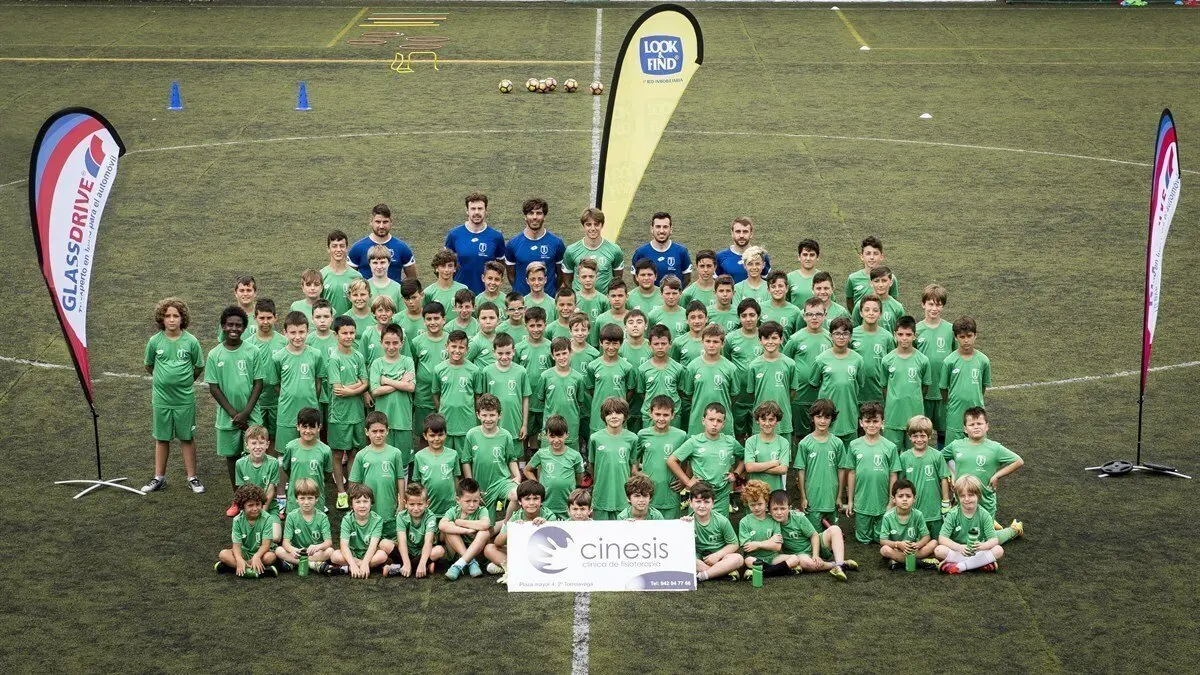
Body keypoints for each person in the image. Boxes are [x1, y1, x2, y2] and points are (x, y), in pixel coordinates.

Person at [142, 297, 205, 494]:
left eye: (175, 316)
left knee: (187, 437)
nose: (171, 319)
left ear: (182, 318)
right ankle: (159, 477)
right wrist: (163, 381)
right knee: (162, 438)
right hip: (161, 399)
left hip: (184, 400)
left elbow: (198, 366)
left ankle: (192, 477)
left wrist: (184, 382)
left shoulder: (191, 341)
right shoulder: (154, 341)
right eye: (167, 316)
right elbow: (149, 365)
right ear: (161, 318)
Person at [206, 306, 264, 504]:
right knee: (232, 456)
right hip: (227, 417)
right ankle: (238, 498)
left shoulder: (253, 351)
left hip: (251, 415)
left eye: (238, 325)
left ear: (244, 328)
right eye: (229, 324)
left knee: (255, 455)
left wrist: (246, 413)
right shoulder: (214, 354)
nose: (234, 328)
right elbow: (214, 388)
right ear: (223, 326)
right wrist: (234, 414)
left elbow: (258, 383)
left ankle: (257, 498)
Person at [941, 407, 1025, 544]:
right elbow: (939, 458)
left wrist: (997, 475)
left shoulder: (995, 448)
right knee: (959, 536)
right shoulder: (956, 445)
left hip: (985, 500)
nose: (976, 427)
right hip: (962, 499)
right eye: (971, 424)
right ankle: (992, 525)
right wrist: (952, 474)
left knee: (982, 541)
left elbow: (1018, 461)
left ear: (987, 426)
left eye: (979, 423)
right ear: (965, 429)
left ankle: (1013, 530)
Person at [840, 402, 900, 544]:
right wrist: (850, 501)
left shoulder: (890, 447)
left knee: (881, 539)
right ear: (861, 423)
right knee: (863, 539)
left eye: (875, 421)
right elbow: (851, 473)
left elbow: (893, 475)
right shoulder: (854, 445)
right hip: (862, 503)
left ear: (882, 422)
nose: (871, 425)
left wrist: (891, 502)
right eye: (867, 421)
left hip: (883, 504)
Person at [668, 402, 744, 516]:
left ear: (723, 424)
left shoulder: (730, 442)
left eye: (719, 421)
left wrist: (736, 474)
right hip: (699, 494)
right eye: (711, 419)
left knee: (719, 525)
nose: (715, 424)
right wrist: (687, 482)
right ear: (703, 421)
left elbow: (745, 457)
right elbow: (671, 461)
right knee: (697, 525)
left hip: (721, 495)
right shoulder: (694, 442)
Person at [768, 488, 857, 581]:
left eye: (782, 508)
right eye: (775, 509)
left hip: (815, 545)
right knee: (805, 563)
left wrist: (815, 555)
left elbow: (814, 535)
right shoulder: (770, 523)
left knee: (835, 529)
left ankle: (840, 565)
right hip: (800, 555)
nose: (779, 512)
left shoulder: (798, 518)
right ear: (769, 510)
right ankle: (838, 565)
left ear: (789, 508)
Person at [328, 315, 370, 508]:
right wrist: (358, 386)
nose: (348, 336)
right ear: (336, 335)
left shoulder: (358, 356)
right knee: (338, 455)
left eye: (352, 332)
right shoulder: (334, 359)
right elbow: (338, 389)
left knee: (354, 452)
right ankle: (341, 492)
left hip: (357, 414)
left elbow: (366, 383)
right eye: (344, 333)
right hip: (339, 416)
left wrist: (352, 389)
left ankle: (353, 491)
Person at [269, 312, 326, 450]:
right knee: (285, 452)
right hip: (287, 413)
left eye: (301, 332)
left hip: (311, 411)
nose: (297, 336)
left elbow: (318, 382)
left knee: (311, 450)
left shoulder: (316, 355)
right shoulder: (278, 357)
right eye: (293, 332)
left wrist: (311, 397)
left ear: (307, 331)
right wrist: (288, 395)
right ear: (285, 332)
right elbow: (276, 385)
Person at [462, 393, 521, 526]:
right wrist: (472, 487)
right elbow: (466, 461)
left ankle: (506, 525)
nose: (488, 419)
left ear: (499, 415)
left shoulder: (506, 435)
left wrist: (517, 476)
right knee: (486, 528)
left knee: (517, 495)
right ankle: (496, 529)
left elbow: (511, 459)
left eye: (492, 415)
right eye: (484, 415)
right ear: (478, 415)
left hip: (501, 483)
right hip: (481, 486)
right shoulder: (472, 435)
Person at [483, 480, 558, 582]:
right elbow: (498, 542)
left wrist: (545, 526)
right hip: (520, 553)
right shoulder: (516, 516)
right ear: (519, 501)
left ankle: (509, 569)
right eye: (527, 499)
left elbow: (554, 547)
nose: (531, 503)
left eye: (536, 498)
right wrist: (512, 529)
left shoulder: (549, 516)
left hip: (540, 555)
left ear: (542, 501)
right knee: (489, 548)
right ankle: (513, 569)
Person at [808, 317, 866, 448]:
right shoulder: (821, 359)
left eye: (845, 333)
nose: (841, 337)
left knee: (848, 455)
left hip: (849, 415)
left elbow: (860, 384)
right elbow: (814, 383)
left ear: (850, 336)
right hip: (826, 417)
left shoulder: (858, 360)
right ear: (830, 336)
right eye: (837, 333)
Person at [349, 411, 406, 538]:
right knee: (369, 538)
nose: (378, 435)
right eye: (374, 431)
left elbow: (400, 478)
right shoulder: (361, 455)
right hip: (368, 507)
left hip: (389, 505)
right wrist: (353, 504)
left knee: (390, 538)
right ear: (366, 432)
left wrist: (402, 502)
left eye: (381, 431)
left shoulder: (395, 453)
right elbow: (354, 483)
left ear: (387, 431)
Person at [793, 399, 846, 531]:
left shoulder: (837, 443)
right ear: (812, 418)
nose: (822, 421)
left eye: (827, 417)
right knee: (814, 535)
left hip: (831, 498)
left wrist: (839, 496)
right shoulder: (805, 443)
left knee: (833, 533)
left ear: (832, 419)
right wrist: (803, 497)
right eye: (819, 416)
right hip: (813, 498)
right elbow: (801, 471)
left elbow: (841, 470)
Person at [784, 297, 832, 442]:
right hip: (800, 397)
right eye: (810, 314)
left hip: (823, 397)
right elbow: (785, 363)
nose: (814, 318)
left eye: (818, 314)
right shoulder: (795, 339)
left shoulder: (831, 338)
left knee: (823, 434)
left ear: (825, 315)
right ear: (804, 316)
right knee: (800, 436)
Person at [369, 324, 416, 469]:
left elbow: (411, 387)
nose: (391, 347)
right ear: (381, 342)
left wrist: (386, 380)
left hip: (403, 419)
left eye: (395, 343)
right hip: (383, 421)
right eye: (387, 343)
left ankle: (402, 484)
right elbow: (376, 391)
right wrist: (400, 382)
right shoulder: (377, 363)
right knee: (384, 459)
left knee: (402, 461)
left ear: (402, 343)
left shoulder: (407, 361)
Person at [243, 298, 288, 454]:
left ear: (275, 318)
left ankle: (273, 466)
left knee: (274, 437)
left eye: (269, 317)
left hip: (278, 401)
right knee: (256, 438)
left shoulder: (284, 342)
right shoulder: (247, 344)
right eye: (261, 318)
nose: (265, 322)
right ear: (255, 318)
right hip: (256, 402)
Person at [899, 415, 951, 545]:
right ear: (909, 436)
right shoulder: (904, 457)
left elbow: (944, 478)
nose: (919, 439)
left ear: (929, 436)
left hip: (935, 511)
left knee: (938, 542)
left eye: (923, 436)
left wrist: (945, 502)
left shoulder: (937, 455)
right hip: (914, 510)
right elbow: (901, 483)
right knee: (915, 542)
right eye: (915, 436)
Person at [679, 324, 740, 436]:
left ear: (723, 343)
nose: (711, 345)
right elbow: (688, 394)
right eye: (708, 341)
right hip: (698, 421)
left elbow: (734, 395)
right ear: (702, 342)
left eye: (715, 342)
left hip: (722, 423)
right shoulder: (692, 366)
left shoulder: (731, 368)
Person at [935, 475, 1003, 574]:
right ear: (958, 497)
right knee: (939, 550)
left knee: (999, 550)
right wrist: (958, 547)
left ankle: (960, 566)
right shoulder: (953, 514)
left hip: (977, 551)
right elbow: (942, 538)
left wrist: (982, 546)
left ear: (978, 495)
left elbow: (994, 540)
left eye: (970, 495)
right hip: (959, 550)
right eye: (962, 496)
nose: (967, 499)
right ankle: (981, 564)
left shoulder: (984, 515)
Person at [635, 396, 689, 519]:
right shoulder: (643, 435)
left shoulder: (681, 436)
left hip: (670, 495)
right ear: (650, 413)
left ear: (672, 415)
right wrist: (636, 472)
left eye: (665, 415)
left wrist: (684, 480)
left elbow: (689, 460)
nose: (661, 418)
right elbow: (633, 459)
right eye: (657, 414)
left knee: (670, 529)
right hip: (648, 496)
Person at [881, 316, 931, 449]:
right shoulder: (887, 360)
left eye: (908, 334)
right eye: (900, 334)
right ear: (894, 335)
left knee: (915, 452)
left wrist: (914, 400)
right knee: (891, 452)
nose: (904, 338)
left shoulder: (923, 360)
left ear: (914, 336)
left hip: (915, 417)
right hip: (893, 416)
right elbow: (884, 387)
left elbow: (925, 387)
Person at [745, 323, 800, 443]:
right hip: (761, 421)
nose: (770, 342)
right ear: (760, 340)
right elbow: (752, 394)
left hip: (783, 421)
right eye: (766, 338)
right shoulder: (754, 366)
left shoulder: (790, 364)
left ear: (781, 339)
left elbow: (792, 391)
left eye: (774, 338)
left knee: (783, 452)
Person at [915, 284, 955, 447]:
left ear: (943, 306)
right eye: (930, 304)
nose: (934, 308)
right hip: (922, 393)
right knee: (920, 431)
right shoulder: (916, 330)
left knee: (944, 432)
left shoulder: (950, 330)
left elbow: (955, 357)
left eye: (938, 304)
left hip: (943, 392)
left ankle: (942, 460)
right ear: (923, 304)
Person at [525, 414, 586, 520]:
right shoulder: (541, 453)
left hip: (568, 508)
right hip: (546, 507)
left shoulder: (575, 456)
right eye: (552, 436)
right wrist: (537, 486)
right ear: (546, 435)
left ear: (567, 435)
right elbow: (527, 470)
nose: (556, 440)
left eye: (560, 436)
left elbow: (579, 479)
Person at [941, 316, 991, 443]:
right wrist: (951, 404)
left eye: (969, 336)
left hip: (977, 415)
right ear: (956, 337)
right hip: (955, 415)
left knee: (978, 448)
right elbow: (943, 388)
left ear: (975, 335)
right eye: (962, 337)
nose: (966, 340)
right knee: (953, 450)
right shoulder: (949, 361)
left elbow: (983, 386)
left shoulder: (983, 361)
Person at [588, 397, 639, 520]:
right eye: (609, 413)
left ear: (625, 415)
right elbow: (592, 466)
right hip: (601, 495)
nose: (614, 416)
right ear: (604, 417)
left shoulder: (632, 438)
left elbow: (633, 467)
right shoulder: (595, 438)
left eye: (618, 413)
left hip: (623, 497)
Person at [328, 483, 394, 578]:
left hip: (370, 554)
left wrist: (366, 562)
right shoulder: (347, 520)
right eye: (358, 502)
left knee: (382, 555)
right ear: (351, 504)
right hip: (352, 554)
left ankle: (351, 568)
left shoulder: (377, 520)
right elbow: (344, 546)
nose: (362, 505)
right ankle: (370, 567)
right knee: (334, 556)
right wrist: (353, 564)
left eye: (365, 501)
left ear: (371, 503)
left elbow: (373, 545)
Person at [444, 192, 505, 294]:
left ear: (486, 210)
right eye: (473, 208)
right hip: (459, 294)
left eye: (480, 208)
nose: (476, 212)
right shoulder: (454, 235)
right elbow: (445, 264)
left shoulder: (496, 236)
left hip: (485, 294)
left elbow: (500, 266)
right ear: (467, 210)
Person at [215, 484, 280, 577]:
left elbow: (266, 545)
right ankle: (254, 570)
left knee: (270, 557)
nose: (255, 508)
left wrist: (257, 556)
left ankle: (237, 568)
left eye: (258, 504)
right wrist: (239, 559)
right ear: (242, 506)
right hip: (245, 553)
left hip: (262, 553)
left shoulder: (267, 518)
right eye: (250, 505)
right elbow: (236, 546)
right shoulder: (237, 520)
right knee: (223, 554)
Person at [505, 197, 566, 296]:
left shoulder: (557, 243)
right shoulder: (513, 244)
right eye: (531, 213)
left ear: (544, 216)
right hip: (522, 300)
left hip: (548, 299)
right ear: (525, 216)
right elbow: (511, 276)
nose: (534, 217)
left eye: (539, 213)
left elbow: (560, 275)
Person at [383, 483, 446, 579]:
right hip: (407, 552)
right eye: (412, 504)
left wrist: (422, 563)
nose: (416, 508)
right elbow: (402, 542)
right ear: (405, 503)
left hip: (423, 552)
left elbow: (428, 542)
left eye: (420, 504)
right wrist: (406, 562)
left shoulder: (430, 517)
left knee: (439, 550)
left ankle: (399, 568)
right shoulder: (401, 516)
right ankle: (418, 566)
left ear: (427, 503)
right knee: (384, 543)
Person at [477, 333, 531, 443]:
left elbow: (525, 398)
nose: (504, 357)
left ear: (514, 352)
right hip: (493, 423)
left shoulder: (521, 371)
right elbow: (481, 399)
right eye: (500, 353)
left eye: (508, 353)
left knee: (515, 450)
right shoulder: (487, 371)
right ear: (494, 352)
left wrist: (524, 425)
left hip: (514, 422)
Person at [432, 330, 479, 454]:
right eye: (453, 346)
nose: (457, 350)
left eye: (461, 347)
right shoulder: (439, 369)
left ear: (467, 349)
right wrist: (441, 412)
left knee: (466, 457)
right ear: (447, 346)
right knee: (445, 455)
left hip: (466, 422)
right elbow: (436, 394)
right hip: (446, 421)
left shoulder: (474, 370)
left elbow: (477, 396)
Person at [279, 407, 333, 514]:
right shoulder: (290, 447)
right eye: (304, 427)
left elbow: (326, 474)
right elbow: (287, 468)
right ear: (298, 426)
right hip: (294, 502)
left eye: (312, 427)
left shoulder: (325, 450)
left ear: (319, 427)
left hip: (316, 501)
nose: (308, 431)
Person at [689, 481, 745, 582]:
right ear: (690, 503)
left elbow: (734, 544)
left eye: (706, 502)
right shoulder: (687, 521)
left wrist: (717, 555)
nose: (702, 506)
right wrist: (682, 526)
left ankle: (703, 575)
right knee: (686, 559)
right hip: (700, 560)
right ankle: (720, 573)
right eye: (698, 501)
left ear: (713, 503)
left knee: (738, 559)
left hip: (720, 559)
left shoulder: (722, 521)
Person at [275, 477, 334, 572]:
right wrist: (292, 549)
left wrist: (317, 547)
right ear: (296, 499)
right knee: (278, 550)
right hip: (297, 552)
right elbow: (285, 542)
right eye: (302, 498)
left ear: (316, 499)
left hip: (315, 553)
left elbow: (328, 542)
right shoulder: (291, 516)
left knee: (330, 551)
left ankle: (294, 563)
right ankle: (312, 565)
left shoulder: (322, 517)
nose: (306, 502)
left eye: (310, 498)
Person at [410, 302, 449, 444]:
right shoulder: (417, 342)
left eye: (436, 318)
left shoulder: (450, 340)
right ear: (424, 321)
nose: (433, 322)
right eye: (429, 319)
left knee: (444, 434)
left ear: (444, 319)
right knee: (425, 435)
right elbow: (412, 367)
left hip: (445, 396)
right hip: (423, 397)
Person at [878, 478, 939, 570]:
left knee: (934, 543)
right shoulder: (887, 517)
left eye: (908, 496)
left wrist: (918, 544)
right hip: (897, 549)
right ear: (893, 499)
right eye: (900, 496)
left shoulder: (918, 514)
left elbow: (926, 536)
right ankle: (919, 562)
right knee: (884, 550)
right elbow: (883, 540)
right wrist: (898, 544)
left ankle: (900, 561)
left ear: (914, 499)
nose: (904, 499)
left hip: (913, 550)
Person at [439, 477, 492, 580]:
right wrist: (466, 530)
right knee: (449, 528)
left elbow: (485, 524)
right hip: (456, 552)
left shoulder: (482, 510)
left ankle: (460, 564)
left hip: (477, 553)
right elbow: (442, 525)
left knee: (485, 532)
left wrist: (460, 522)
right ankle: (470, 562)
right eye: (467, 501)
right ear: (458, 500)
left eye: (475, 501)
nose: (472, 505)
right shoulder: (453, 511)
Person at [585, 325, 635, 436]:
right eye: (607, 343)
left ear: (621, 343)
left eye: (615, 343)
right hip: (598, 417)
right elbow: (591, 389)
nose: (611, 347)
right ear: (601, 342)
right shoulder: (593, 366)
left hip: (619, 415)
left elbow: (631, 390)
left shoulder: (627, 367)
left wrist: (620, 403)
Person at [724, 299, 763, 439]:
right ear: (739, 317)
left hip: (759, 397)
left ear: (758, 316)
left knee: (758, 435)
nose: (748, 319)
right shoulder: (730, 338)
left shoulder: (765, 336)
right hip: (737, 398)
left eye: (752, 315)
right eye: (744, 315)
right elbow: (725, 363)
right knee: (738, 435)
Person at [348, 203, 416, 282]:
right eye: (378, 222)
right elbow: (349, 278)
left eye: (385, 222)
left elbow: (413, 279)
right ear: (371, 222)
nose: (381, 226)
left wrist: (400, 288)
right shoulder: (358, 248)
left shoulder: (402, 248)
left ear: (391, 222)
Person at [562, 207, 624, 294]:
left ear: (602, 225)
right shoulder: (571, 251)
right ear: (583, 226)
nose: (593, 228)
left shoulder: (614, 250)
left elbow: (617, 279)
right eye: (588, 224)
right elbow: (567, 281)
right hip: (580, 301)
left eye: (596, 224)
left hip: (604, 300)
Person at [412, 414, 461, 518]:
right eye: (432, 435)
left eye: (440, 434)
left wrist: (458, 499)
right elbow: (417, 484)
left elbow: (455, 478)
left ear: (446, 434)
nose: (437, 439)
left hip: (450, 509)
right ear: (425, 436)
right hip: (428, 510)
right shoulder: (419, 456)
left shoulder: (453, 454)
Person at [850, 294, 894, 407]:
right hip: (856, 394)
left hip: (879, 394)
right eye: (867, 310)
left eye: (875, 310)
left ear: (880, 314)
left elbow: (892, 365)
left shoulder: (887, 337)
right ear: (860, 313)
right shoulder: (852, 335)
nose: (871, 313)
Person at [639, 327, 685, 430]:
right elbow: (642, 392)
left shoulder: (678, 368)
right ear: (649, 344)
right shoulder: (643, 369)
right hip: (649, 416)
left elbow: (681, 391)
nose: (660, 347)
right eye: (656, 344)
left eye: (663, 344)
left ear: (670, 344)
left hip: (673, 415)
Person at [630, 211, 691, 285]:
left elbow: (687, 278)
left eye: (665, 227)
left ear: (671, 229)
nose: (661, 231)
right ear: (652, 229)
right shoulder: (640, 252)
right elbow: (635, 277)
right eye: (658, 227)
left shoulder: (681, 251)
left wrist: (676, 291)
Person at [743, 401, 790, 492]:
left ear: (777, 421)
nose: (767, 423)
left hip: (775, 492)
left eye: (771, 420)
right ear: (757, 420)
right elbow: (749, 467)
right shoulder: (751, 441)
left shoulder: (783, 442)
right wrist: (773, 463)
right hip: (755, 492)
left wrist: (757, 466)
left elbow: (783, 469)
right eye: (763, 419)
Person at [232, 426, 279, 519]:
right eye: (253, 443)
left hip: (269, 507)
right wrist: (251, 510)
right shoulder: (240, 464)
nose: (258, 447)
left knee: (275, 529)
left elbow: (271, 491)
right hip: (249, 508)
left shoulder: (273, 463)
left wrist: (262, 513)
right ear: (246, 445)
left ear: (267, 444)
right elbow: (242, 491)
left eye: (261, 443)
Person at [737, 480, 782, 572]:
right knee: (748, 561)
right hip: (754, 558)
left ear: (766, 501)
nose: (756, 508)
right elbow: (747, 547)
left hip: (773, 557)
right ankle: (774, 570)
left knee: (794, 558)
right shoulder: (744, 522)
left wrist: (757, 544)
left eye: (760, 504)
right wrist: (770, 541)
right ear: (747, 504)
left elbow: (777, 547)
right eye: (752, 505)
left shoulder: (774, 519)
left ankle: (764, 570)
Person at [619, 312, 653, 432]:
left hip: (647, 405)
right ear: (625, 327)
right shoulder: (619, 348)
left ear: (646, 326)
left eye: (639, 322)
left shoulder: (652, 347)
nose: (635, 325)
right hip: (625, 404)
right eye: (631, 322)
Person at [844, 235, 898, 309]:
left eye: (875, 253)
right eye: (868, 253)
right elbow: (849, 302)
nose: (872, 257)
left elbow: (893, 302)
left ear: (881, 256)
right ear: (862, 256)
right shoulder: (852, 278)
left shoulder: (891, 278)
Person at [716, 216, 770, 283]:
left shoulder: (761, 255)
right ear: (732, 233)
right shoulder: (720, 257)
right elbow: (715, 283)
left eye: (745, 232)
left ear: (751, 234)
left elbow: (767, 283)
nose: (741, 235)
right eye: (738, 231)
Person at [852, 266, 904, 334]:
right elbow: (854, 330)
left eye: (884, 281)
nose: (880, 285)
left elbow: (901, 333)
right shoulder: (860, 304)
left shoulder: (898, 307)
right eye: (876, 281)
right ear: (871, 283)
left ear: (891, 282)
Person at [321, 230, 359, 316]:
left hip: (350, 324)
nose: (338, 250)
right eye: (334, 246)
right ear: (328, 249)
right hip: (327, 324)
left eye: (342, 246)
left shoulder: (356, 276)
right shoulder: (321, 275)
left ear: (347, 248)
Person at [365, 244, 403, 322]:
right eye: (375, 263)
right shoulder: (364, 287)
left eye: (382, 262)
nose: (379, 267)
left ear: (389, 263)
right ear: (369, 264)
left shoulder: (397, 288)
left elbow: (401, 316)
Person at [424, 248, 470, 313]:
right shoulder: (428, 292)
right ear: (436, 268)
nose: (446, 270)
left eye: (450, 266)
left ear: (455, 268)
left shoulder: (463, 289)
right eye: (443, 266)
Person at [670, 301, 708, 373]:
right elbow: (673, 368)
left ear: (706, 319)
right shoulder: (678, 342)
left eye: (700, 317)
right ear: (687, 320)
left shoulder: (712, 342)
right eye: (693, 318)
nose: (697, 321)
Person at [760, 271, 802, 335]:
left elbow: (798, 336)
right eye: (773, 287)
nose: (777, 289)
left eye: (780, 286)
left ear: (787, 288)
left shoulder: (795, 311)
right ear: (768, 290)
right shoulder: (760, 308)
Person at [591, 278, 629, 347]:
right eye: (613, 296)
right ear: (608, 297)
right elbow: (595, 345)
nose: (617, 299)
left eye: (620, 295)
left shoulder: (632, 319)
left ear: (627, 297)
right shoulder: (600, 319)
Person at [787, 239, 822, 310]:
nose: (808, 258)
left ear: (817, 257)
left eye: (812, 255)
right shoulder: (789, 278)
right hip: (796, 317)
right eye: (805, 255)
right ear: (799, 257)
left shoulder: (824, 278)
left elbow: (830, 303)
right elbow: (784, 303)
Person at [466, 301, 499, 368]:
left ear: (498, 320)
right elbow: (465, 363)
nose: (488, 322)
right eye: (484, 318)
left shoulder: (501, 339)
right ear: (478, 321)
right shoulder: (475, 342)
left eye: (492, 318)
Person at [396, 278, 426, 348]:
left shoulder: (430, 318)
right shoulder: (396, 319)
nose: (411, 302)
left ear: (422, 295)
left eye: (414, 297)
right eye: (407, 299)